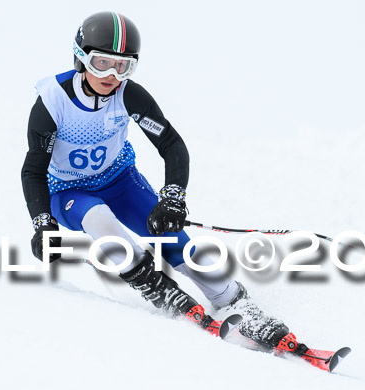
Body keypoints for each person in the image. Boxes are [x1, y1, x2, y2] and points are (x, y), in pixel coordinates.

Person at [21, 11, 303, 354]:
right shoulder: (53, 101)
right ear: (80, 58)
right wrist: (43, 224)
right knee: (99, 219)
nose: (111, 75)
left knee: (172, 238)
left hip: (120, 181)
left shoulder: (129, 95)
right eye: (101, 63)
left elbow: (171, 144)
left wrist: (173, 198)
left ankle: (232, 299)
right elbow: (33, 170)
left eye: (122, 67)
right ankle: (152, 283)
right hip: (68, 191)